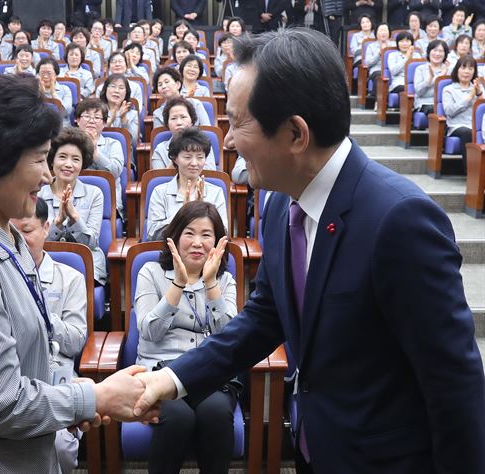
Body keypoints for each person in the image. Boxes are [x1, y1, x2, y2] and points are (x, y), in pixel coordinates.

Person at [133, 28, 485, 474]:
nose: (227, 142)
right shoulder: (281, 204)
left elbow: (454, 386)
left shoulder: (400, 220)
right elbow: (265, 318)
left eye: (239, 122)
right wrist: (171, 379)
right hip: (315, 449)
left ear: (296, 134)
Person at [0, 73, 155, 474]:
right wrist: (94, 399)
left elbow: (20, 367)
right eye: (38, 159)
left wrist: (72, 397)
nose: (49, 175)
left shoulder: (3, 235)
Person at [136, 200, 235, 473]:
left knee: (215, 413)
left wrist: (211, 283)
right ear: (176, 236)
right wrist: (178, 283)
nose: (197, 242)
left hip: (210, 372)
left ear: (217, 242)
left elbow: (230, 338)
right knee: (178, 417)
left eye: (206, 235)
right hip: (160, 372)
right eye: (189, 233)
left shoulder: (225, 280)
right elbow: (149, 332)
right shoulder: (151, 272)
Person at [10, 197, 87, 474]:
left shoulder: (70, 278)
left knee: (58, 447)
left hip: (56, 378)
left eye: (27, 231)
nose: (18, 241)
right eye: (12, 232)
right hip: (8, 378)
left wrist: (42, 314)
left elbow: (77, 340)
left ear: (46, 228)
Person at [39, 127, 107, 285]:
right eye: (62, 157)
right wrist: (57, 222)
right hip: (45, 263)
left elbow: (92, 243)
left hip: (87, 264)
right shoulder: (38, 194)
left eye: (76, 159)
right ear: (52, 159)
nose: (68, 164)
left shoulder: (94, 194)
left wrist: (74, 217)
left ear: (83, 163)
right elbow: (36, 241)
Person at [146, 127, 227, 241]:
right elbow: (153, 235)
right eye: (187, 157)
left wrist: (203, 213)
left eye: (200, 157)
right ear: (175, 159)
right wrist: (184, 212)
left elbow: (223, 233)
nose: (194, 163)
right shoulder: (160, 192)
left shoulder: (216, 192)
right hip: (169, 254)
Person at [74, 98, 124, 216]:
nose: (91, 121)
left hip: (108, 202)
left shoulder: (113, 144)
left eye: (97, 117)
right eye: (86, 116)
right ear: (77, 120)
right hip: (73, 200)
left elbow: (115, 171)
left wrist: (95, 152)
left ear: (104, 123)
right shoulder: (68, 143)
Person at [151, 97, 216, 170]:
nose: (179, 122)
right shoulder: (160, 150)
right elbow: (159, 179)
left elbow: (210, 174)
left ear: (192, 121)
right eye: (173, 118)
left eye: (183, 117)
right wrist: (176, 160)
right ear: (167, 124)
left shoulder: (204, 144)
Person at [443, 54, 482, 172]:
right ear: (457, 70)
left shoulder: (478, 88)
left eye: (470, 69)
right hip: (457, 126)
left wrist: (479, 95)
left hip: (477, 127)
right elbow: (449, 111)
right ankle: (470, 172)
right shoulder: (449, 89)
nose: (467, 72)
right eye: (463, 68)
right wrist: (469, 97)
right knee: (469, 133)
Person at [100, 74, 139, 145]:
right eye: (113, 86)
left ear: (126, 93)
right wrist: (109, 121)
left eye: (121, 88)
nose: (116, 91)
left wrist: (123, 119)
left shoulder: (133, 114)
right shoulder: (97, 112)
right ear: (105, 89)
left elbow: (133, 143)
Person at [414, 39, 450, 114]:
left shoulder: (449, 70)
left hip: (445, 104)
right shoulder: (420, 69)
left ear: (445, 54)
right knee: (435, 109)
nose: (437, 54)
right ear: (429, 52)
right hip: (425, 103)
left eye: (440, 51)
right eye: (435, 50)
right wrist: (431, 79)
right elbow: (419, 93)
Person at [37, 57, 73, 129]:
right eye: (42, 73)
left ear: (56, 74)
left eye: (49, 73)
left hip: (62, 127)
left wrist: (53, 93)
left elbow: (66, 112)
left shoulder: (65, 89)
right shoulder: (34, 90)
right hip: (39, 127)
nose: (45, 76)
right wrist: (41, 93)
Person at [365, 22, 393, 98]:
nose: (383, 33)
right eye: (381, 31)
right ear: (376, 33)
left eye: (385, 31)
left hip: (391, 70)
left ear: (389, 33)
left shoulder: (394, 45)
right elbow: (367, 63)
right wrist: (378, 55)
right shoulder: (371, 46)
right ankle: (379, 102)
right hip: (376, 70)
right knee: (379, 77)